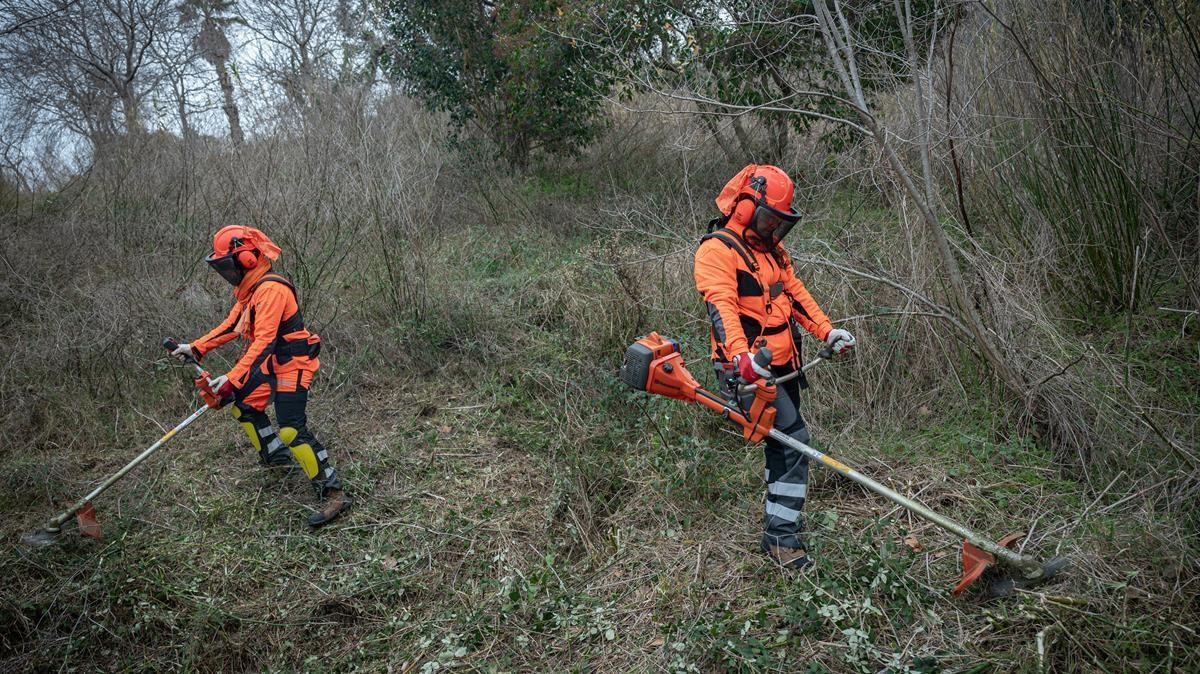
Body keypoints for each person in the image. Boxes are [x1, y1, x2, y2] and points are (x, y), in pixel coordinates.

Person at [693, 165, 855, 570]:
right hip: (748, 374)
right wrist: (740, 357)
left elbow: (795, 295)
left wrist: (827, 331)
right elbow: (721, 308)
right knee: (795, 444)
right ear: (745, 205)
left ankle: (777, 523)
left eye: (779, 223)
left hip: (786, 366)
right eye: (768, 218)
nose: (772, 229)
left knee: (781, 450)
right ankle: (781, 540)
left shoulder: (772, 252)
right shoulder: (717, 251)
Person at [170, 225, 352, 527]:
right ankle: (275, 456)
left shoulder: (270, 290)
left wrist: (232, 376)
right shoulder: (250, 292)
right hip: (269, 363)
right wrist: (195, 348)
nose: (227, 272)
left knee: (292, 429)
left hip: (291, 363)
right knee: (245, 408)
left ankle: (332, 492)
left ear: (247, 258)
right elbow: (231, 327)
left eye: (228, 264)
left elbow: (264, 341)